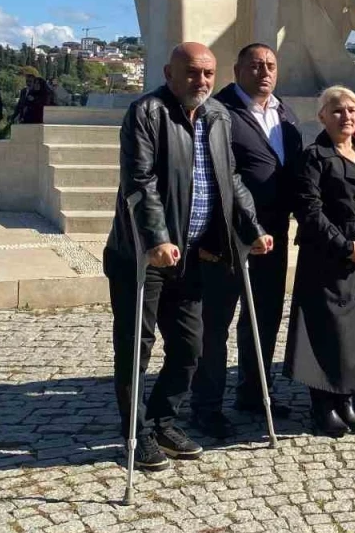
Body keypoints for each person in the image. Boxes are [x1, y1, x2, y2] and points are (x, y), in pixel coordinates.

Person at [103, 42, 272, 472]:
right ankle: (135, 433)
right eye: (193, 73)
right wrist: (156, 238)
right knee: (136, 347)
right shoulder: (147, 112)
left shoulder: (218, 116)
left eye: (208, 74)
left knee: (190, 347)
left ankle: (162, 419)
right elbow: (139, 182)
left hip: (193, 256)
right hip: (142, 256)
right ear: (169, 72)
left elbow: (229, 177)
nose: (201, 82)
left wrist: (252, 228)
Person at [190, 43, 304, 436]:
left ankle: (254, 392)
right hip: (227, 234)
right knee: (216, 320)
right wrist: (247, 225)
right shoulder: (217, 111)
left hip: (273, 233)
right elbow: (224, 173)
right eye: (255, 65)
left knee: (266, 316)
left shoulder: (282, 111)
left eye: (271, 65)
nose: (264, 72)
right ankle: (206, 405)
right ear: (237, 70)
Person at [284, 86, 355, 437]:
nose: (345, 116)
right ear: (322, 117)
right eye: (336, 110)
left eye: (351, 110)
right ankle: (322, 404)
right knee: (326, 330)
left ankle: (347, 398)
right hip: (329, 256)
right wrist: (344, 245)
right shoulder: (314, 157)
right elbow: (309, 209)